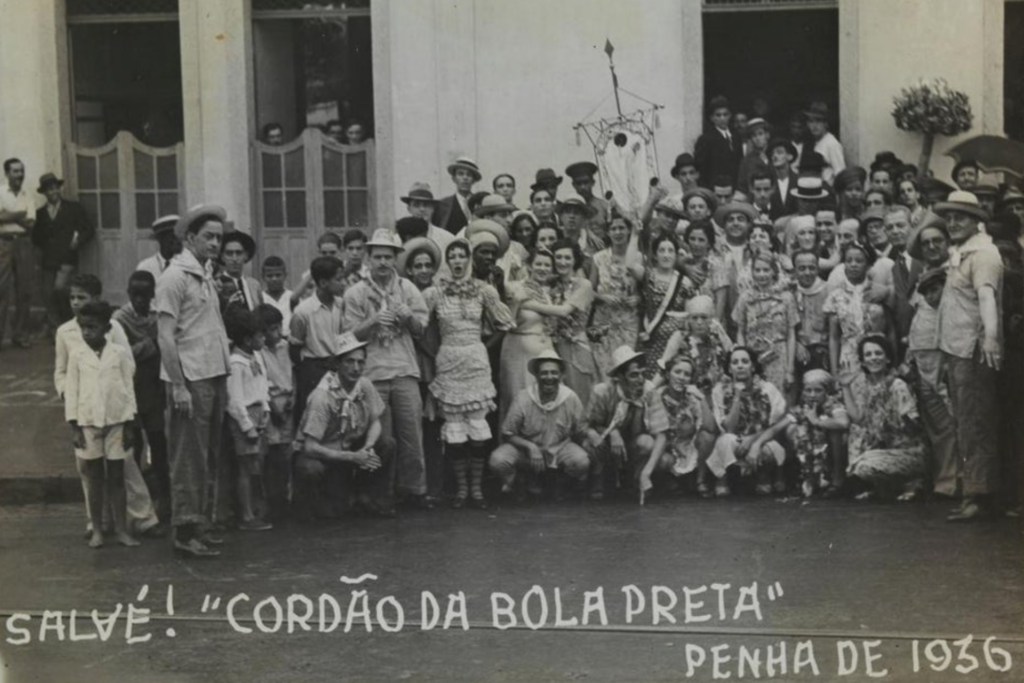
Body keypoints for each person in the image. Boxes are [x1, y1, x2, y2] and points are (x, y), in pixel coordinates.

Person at [155, 204, 233, 559]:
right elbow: (166, 337)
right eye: (208, 237)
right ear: (189, 238)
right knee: (188, 457)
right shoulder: (174, 277)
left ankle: (201, 525)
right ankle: (185, 531)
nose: (215, 243)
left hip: (213, 375)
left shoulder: (204, 274)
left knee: (208, 455)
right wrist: (178, 385)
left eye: (219, 237)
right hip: (190, 379)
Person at [423, 239, 513, 509]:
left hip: (475, 360)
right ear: (447, 262)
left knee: (477, 430)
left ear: (469, 260)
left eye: (462, 256)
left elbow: (505, 323)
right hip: (448, 359)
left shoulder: (484, 290)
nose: (458, 261)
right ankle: (462, 490)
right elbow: (417, 326)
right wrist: (434, 352)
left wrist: (482, 347)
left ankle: (477, 490)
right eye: (453, 257)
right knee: (455, 429)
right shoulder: (434, 293)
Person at [932, 191, 1004, 522]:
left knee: (975, 422)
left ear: (977, 220)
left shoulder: (984, 255)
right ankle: (973, 490)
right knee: (965, 421)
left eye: (960, 217)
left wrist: (990, 337)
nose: (953, 223)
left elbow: (986, 297)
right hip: (957, 349)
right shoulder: (962, 253)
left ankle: (978, 494)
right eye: (949, 217)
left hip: (973, 350)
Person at [344, 234, 430, 507]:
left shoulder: (407, 289)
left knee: (411, 436)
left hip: (404, 370)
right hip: (373, 373)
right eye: (378, 257)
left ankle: (414, 491)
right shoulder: (355, 292)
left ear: (396, 259)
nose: (383, 262)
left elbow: (420, 331)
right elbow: (348, 335)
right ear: (368, 259)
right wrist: (372, 321)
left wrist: (408, 317)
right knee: (382, 438)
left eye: (388, 257)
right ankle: (383, 494)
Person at [64, 301, 140, 549]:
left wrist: (129, 423)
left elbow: (128, 389)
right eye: (83, 327)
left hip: (116, 421)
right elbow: (72, 391)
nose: (87, 332)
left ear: (107, 328)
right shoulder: (77, 355)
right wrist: (75, 427)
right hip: (88, 423)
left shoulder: (118, 353)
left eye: (93, 327)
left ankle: (121, 529)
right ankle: (97, 528)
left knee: (117, 476)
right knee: (94, 477)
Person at [294, 333, 395, 520]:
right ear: (337, 364)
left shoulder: (364, 385)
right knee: (332, 510)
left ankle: (365, 496)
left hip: (349, 449)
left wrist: (368, 448)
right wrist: (352, 457)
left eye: (360, 362)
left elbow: (375, 422)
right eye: (349, 361)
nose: (355, 368)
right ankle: (314, 504)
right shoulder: (322, 397)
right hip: (325, 456)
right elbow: (310, 446)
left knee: (386, 443)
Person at [490, 350, 591, 502]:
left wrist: (592, 437)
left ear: (561, 375)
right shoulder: (523, 397)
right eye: (544, 373)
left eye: (554, 373)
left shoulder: (570, 397)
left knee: (581, 461)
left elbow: (581, 429)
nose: (549, 377)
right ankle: (519, 480)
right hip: (527, 451)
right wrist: (530, 447)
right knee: (498, 460)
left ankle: (559, 482)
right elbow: (508, 433)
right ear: (536, 376)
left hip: (559, 448)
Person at [839, 335, 925, 501]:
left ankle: (913, 482)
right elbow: (857, 419)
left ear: (887, 359)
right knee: (857, 453)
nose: (874, 358)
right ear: (863, 362)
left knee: (862, 465)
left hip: (907, 451)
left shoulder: (897, 385)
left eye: (878, 353)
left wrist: (891, 419)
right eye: (868, 355)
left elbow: (914, 427)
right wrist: (845, 387)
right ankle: (885, 486)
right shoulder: (866, 387)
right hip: (883, 450)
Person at [113, 271, 170, 522]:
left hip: (153, 392)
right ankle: (133, 508)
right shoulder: (119, 320)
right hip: (131, 393)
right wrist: (149, 345)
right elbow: (121, 355)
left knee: (159, 447)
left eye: (145, 296)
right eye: (135, 295)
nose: (140, 300)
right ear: (128, 294)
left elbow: (165, 348)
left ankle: (164, 502)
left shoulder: (156, 318)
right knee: (133, 450)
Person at [585, 346, 669, 500]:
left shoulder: (648, 390)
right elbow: (586, 424)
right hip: (607, 445)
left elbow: (661, 435)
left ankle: (634, 479)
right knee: (591, 440)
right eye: (634, 375)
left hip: (634, 445)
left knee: (649, 444)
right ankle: (599, 477)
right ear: (620, 377)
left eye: (642, 374)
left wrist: (647, 472)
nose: (641, 380)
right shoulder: (602, 392)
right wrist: (612, 432)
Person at [397, 237, 444, 506]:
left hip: (439, 366)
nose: (424, 270)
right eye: (418, 266)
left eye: (428, 265)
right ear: (410, 270)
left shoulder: (440, 293)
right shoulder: (406, 296)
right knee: (414, 430)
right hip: (415, 364)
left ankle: (435, 487)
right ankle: (415, 486)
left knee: (434, 430)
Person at [708, 347, 790, 497]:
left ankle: (763, 474)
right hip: (734, 439)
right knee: (725, 441)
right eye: (735, 362)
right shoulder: (719, 390)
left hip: (761, 438)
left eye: (745, 362)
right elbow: (728, 428)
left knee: (769, 448)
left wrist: (752, 441)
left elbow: (773, 427)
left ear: (753, 367)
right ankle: (722, 477)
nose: (740, 365)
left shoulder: (768, 389)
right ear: (729, 369)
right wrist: (737, 397)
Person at [639, 354, 717, 498]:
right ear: (668, 374)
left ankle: (700, 480)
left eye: (687, 374)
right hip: (665, 448)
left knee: (707, 436)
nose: (681, 377)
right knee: (661, 458)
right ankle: (665, 480)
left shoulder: (692, 398)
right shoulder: (657, 396)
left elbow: (711, 429)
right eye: (677, 372)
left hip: (687, 448)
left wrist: (701, 398)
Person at [223, 306, 272, 531]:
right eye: (259, 336)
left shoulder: (256, 357)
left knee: (256, 465)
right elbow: (234, 400)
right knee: (244, 467)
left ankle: (256, 508)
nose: (264, 339)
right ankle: (246, 515)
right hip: (245, 418)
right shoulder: (236, 363)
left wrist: (266, 409)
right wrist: (247, 426)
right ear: (246, 338)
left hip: (258, 413)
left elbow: (262, 386)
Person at [499, 249, 558, 425]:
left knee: (544, 399)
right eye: (538, 264)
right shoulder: (515, 286)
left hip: (543, 352)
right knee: (518, 397)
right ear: (529, 266)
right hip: (518, 351)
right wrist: (517, 301)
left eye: (547, 265)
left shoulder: (548, 292)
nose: (542, 268)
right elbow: (506, 322)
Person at [290, 256, 349, 428]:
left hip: (338, 368)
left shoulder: (342, 305)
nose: (344, 283)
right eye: (338, 279)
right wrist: (309, 368)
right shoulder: (304, 311)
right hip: (313, 370)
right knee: (313, 419)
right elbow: (295, 348)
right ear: (323, 283)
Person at [32, 173, 94, 332]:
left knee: (60, 289)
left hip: (67, 258)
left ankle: (69, 323)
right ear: (44, 193)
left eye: (55, 188)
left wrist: (77, 241)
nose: (53, 192)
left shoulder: (73, 208)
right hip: (48, 260)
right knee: (47, 294)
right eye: (49, 190)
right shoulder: (40, 213)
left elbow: (89, 230)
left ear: (59, 189)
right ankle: (56, 328)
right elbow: (36, 238)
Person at [824, 242, 892, 383]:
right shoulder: (836, 296)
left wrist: (893, 363)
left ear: (868, 265)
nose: (853, 265)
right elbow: (834, 337)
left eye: (859, 261)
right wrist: (834, 370)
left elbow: (891, 331)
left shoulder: (879, 292)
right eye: (849, 261)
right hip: (849, 355)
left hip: (876, 354)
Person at [732, 251, 797, 392]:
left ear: (774, 271)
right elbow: (740, 332)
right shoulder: (745, 298)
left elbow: (791, 335)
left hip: (778, 356)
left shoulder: (786, 298)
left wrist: (790, 370)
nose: (761, 274)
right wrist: (744, 358)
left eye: (766, 270)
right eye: (758, 270)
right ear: (752, 272)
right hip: (754, 357)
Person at [590, 212, 643, 377]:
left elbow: (647, 289)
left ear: (628, 231)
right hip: (604, 322)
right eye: (614, 228)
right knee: (604, 371)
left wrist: (639, 298)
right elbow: (588, 291)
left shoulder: (639, 257)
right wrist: (602, 297)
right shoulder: (598, 258)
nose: (618, 232)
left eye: (622, 228)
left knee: (625, 368)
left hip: (628, 323)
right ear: (608, 232)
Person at [783, 369, 849, 498]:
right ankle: (807, 478)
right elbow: (780, 428)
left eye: (818, 390)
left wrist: (816, 421)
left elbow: (843, 423)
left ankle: (837, 479)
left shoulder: (834, 405)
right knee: (792, 428)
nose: (813, 395)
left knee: (834, 429)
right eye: (808, 390)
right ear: (803, 393)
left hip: (832, 455)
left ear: (826, 392)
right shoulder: (801, 408)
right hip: (811, 456)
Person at [255, 303, 294, 522]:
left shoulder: (286, 347)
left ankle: (284, 500)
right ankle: (270, 501)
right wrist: (272, 404)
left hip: (287, 402)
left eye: (279, 327)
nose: (277, 333)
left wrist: (292, 399)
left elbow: (292, 376)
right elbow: (262, 382)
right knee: (270, 453)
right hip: (270, 405)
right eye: (271, 330)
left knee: (286, 454)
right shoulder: (259, 353)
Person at [550, 240, 599, 407]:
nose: (562, 262)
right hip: (555, 347)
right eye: (558, 257)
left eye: (567, 258)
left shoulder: (583, 285)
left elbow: (565, 310)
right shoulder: (552, 285)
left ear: (574, 260)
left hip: (576, 347)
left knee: (579, 398)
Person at [639, 233, 695, 378]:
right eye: (661, 250)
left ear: (676, 255)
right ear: (655, 255)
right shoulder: (648, 277)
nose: (666, 255)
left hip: (673, 346)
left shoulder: (685, 283)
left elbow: (690, 317)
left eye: (670, 251)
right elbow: (630, 265)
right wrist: (635, 232)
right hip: (648, 342)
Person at [658, 295, 732, 399]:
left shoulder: (718, 333)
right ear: (688, 319)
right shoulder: (679, 336)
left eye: (703, 317)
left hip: (717, 390)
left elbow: (731, 355)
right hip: (688, 392)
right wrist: (651, 389)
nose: (699, 322)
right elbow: (664, 366)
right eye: (695, 318)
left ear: (710, 319)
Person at [0, 158, 37, 349]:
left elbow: (31, 224)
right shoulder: (0, 192)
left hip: (23, 243)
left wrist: (7, 215)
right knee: (1, 290)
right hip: (3, 244)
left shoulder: (27, 194)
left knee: (24, 290)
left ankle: (20, 334)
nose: (19, 175)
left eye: (21, 171)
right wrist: (19, 214)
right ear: (7, 173)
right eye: (15, 171)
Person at [792, 249, 831, 378]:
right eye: (802, 268)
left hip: (823, 352)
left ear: (818, 269)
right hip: (795, 350)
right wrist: (796, 344)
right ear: (795, 270)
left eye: (811, 268)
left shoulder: (829, 292)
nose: (807, 273)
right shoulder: (789, 293)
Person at [694, 96, 742, 187]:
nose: (722, 118)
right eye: (718, 115)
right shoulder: (706, 139)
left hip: (734, 187)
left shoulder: (736, 136)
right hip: (715, 188)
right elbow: (701, 169)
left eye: (725, 114)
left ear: (730, 115)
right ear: (712, 118)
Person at [399, 183, 457, 254]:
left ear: (433, 208)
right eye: (416, 205)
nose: (422, 209)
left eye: (426, 205)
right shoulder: (398, 238)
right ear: (409, 209)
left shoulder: (446, 238)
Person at [433, 156, 481, 234]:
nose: (465, 178)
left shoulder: (480, 203)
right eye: (460, 174)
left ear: (474, 180)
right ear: (454, 179)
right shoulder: (442, 205)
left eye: (469, 175)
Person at [566, 161, 611, 241]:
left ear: (593, 183)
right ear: (573, 185)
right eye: (579, 183)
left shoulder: (604, 206)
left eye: (586, 182)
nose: (583, 187)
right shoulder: (570, 210)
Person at [218, 230, 262, 311]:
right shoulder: (217, 284)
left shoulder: (254, 285)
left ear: (246, 256)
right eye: (229, 253)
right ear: (222, 257)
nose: (234, 259)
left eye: (238, 253)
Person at [804, 102, 845, 184]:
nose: (814, 126)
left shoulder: (831, 143)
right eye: (811, 122)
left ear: (826, 124)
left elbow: (840, 173)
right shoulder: (814, 142)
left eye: (818, 121)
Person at [137, 214, 182, 279]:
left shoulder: (188, 266)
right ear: (160, 238)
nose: (178, 241)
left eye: (180, 236)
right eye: (173, 236)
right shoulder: (145, 267)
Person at [737, 118, 772, 194]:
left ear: (767, 135)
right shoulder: (746, 161)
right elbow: (742, 187)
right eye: (754, 135)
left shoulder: (774, 156)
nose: (757, 138)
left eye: (760, 134)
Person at [767, 138, 799, 220]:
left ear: (790, 156)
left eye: (779, 152)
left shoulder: (798, 181)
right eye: (772, 153)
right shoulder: (767, 182)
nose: (775, 156)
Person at [260, 255, 293, 331]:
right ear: (263, 277)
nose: (274, 279)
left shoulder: (292, 297)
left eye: (278, 275)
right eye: (269, 276)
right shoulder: (260, 298)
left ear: (285, 275)